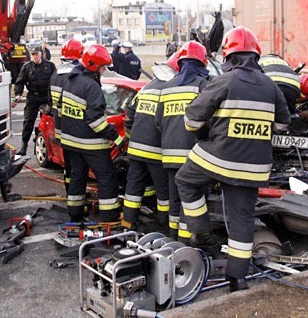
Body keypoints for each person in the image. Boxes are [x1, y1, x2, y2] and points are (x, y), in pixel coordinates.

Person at [175, 27, 290, 292]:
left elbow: (192, 119)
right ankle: (237, 279)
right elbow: (283, 125)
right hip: (253, 167)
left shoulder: (224, 81)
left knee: (186, 181)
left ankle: (201, 232)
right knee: (242, 221)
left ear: (230, 57)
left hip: (217, 157)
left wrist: (205, 134)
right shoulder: (271, 86)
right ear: (255, 55)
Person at [60, 44, 124, 222]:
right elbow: (95, 121)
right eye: (103, 67)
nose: (104, 71)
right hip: (90, 144)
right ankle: (109, 214)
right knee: (106, 176)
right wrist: (115, 137)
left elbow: (61, 108)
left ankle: (75, 213)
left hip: (70, 141)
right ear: (94, 66)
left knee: (77, 176)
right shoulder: (92, 87)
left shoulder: (71, 80)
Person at [154, 40, 209, 242]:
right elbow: (209, 121)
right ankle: (188, 242)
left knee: (174, 199)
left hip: (169, 154)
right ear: (202, 63)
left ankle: (173, 238)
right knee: (192, 199)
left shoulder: (167, 86)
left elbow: (158, 121)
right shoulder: (203, 85)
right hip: (193, 155)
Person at [121, 52, 181, 232]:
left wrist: (133, 140)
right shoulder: (170, 90)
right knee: (164, 191)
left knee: (133, 186)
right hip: (156, 150)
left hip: (136, 149)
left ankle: (128, 223)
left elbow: (129, 116)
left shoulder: (147, 88)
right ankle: (164, 225)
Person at [50, 38, 84, 192]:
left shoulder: (56, 73)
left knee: (68, 163)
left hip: (60, 126)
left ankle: (69, 189)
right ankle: (75, 195)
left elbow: (51, 101)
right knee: (78, 165)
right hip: (74, 126)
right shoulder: (76, 74)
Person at [13, 46, 56, 156]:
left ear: (41, 54)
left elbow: (56, 81)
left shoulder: (50, 66)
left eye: (36, 54)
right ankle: (24, 145)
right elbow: (19, 81)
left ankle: (41, 140)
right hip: (32, 97)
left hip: (45, 98)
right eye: (32, 55)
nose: (34, 57)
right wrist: (18, 94)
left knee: (46, 122)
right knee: (28, 121)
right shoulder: (27, 67)